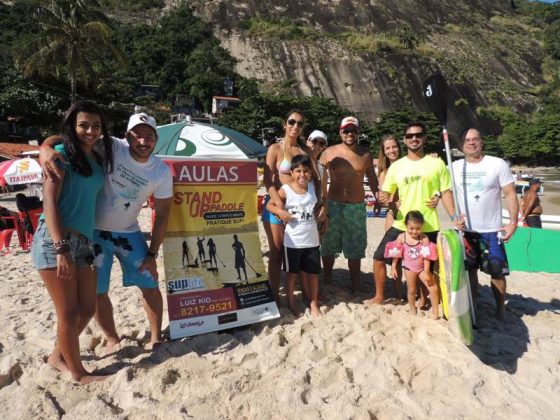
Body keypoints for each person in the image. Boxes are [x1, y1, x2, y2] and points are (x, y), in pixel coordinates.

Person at [40, 112, 172, 355]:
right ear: (127, 136)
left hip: (129, 233)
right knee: (98, 292)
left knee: (150, 284)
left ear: (156, 139)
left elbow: (163, 215)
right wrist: (45, 148)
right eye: (137, 136)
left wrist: (153, 253)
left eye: (149, 137)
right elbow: (68, 138)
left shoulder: (161, 171)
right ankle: (111, 337)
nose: (143, 142)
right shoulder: (110, 145)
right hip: (94, 233)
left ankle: (155, 336)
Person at [31, 100, 113, 383]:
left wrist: (47, 143)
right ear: (72, 127)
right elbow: (49, 204)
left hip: (85, 243)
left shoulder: (97, 157)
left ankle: (57, 355)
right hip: (56, 240)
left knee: (88, 307)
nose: (90, 131)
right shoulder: (61, 156)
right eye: (83, 125)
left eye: (95, 125)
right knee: (68, 311)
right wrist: (60, 247)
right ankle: (77, 373)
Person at [366, 121, 457, 305]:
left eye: (418, 135)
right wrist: (384, 198)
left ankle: (427, 300)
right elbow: (386, 192)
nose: (414, 138)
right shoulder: (397, 167)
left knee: (428, 265)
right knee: (378, 257)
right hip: (401, 224)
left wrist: (455, 217)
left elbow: (446, 192)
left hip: (428, 224)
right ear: (405, 140)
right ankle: (379, 296)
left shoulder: (436, 163)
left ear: (424, 138)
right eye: (409, 136)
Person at [451, 128, 518, 320]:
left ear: (482, 142)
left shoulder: (497, 164)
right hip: (466, 230)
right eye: (467, 140)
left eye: (475, 139)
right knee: (470, 271)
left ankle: (500, 309)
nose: (471, 143)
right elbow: (443, 191)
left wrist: (513, 223)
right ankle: (474, 306)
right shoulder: (454, 166)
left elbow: (511, 194)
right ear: (461, 145)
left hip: (492, 229)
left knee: (496, 272)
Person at [262, 109, 321, 304]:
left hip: (301, 210)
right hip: (277, 205)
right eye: (292, 122)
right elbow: (268, 179)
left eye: (300, 123)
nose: (295, 126)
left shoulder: (305, 151)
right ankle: (274, 295)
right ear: (284, 124)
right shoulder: (275, 149)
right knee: (277, 252)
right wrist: (279, 206)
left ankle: (305, 293)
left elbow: (317, 180)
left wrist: (319, 204)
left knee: (302, 250)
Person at [320, 117, 379, 292]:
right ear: (340, 132)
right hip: (333, 204)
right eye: (346, 130)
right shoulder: (329, 152)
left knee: (355, 246)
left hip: (356, 206)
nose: (350, 134)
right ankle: (328, 279)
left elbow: (372, 179)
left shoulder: (365, 154)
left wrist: (377, 198)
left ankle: (355, 284)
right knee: (328, 244)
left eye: (353, 130)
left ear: (358, 132)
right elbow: (316, 176)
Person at [266, 154, 322, 317]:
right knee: (291, 275)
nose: (302, 174)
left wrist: (323, 208)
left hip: (312, 240)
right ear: (291, 172)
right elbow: (270, 204)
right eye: (298, 171)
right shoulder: (286, 189)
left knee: (313, 274)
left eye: (305, 171)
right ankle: (290, 302)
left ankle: (313, 303)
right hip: (293, 242)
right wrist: (281, 212)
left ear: (311, 172)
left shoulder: (312, 187)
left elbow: (319, 204)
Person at [385, 211, 439, 319]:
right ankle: (412, 308)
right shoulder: (402, 237)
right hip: (409, 268)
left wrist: (427, 272)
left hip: (422, 268)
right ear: (406, 225)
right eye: (411, 228)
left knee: (433, 288)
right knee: (411, 290)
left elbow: (426, 257)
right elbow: (397, 254)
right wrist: (394, 267)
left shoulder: (424, 238)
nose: (414, 231)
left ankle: (436, 312)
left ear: (422, 226)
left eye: (418, 228)